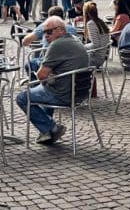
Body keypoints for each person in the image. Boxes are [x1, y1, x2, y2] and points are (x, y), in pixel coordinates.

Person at [15, 16, 90, 144]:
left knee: (22, 97)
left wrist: (49, 77)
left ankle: (51, 128)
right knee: (42, 88)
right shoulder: (75, 40)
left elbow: (41, 75)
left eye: (49, 32)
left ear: (61, 30)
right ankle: (47, 132)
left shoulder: (57, 45)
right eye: (44, 32)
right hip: (79, 92)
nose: (45, 36)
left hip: (63, 94)